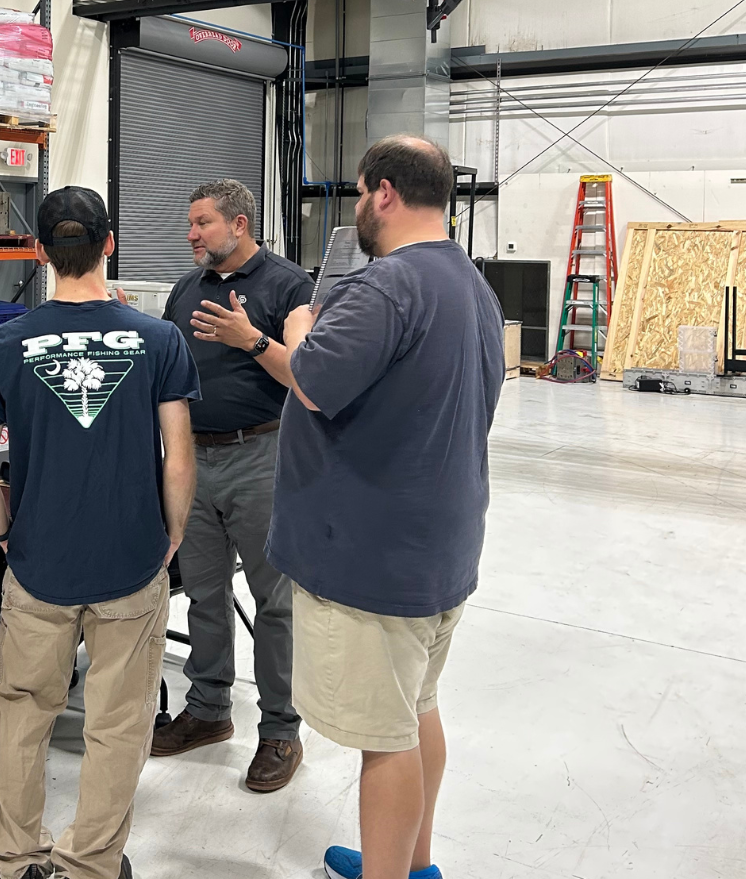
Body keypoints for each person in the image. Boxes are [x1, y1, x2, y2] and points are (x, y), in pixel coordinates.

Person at [266, 135, 505, 879]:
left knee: (385, 738)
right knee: (415, 708)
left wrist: (300, 325)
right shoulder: (472, 284)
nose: (359, 209)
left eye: (360, 193)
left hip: (371, 559)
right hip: (437, 546)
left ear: (385, 194)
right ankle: (410, 863)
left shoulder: (385, 286)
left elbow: (312, 380)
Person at [0, 186, 199, 879]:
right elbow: (179, 458)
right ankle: (90, 864)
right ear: (110, 245)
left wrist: (8, 536)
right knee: (118, 724)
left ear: (39, 253)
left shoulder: (5, 344)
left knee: (24, 711)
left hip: (39, 564)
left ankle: (11, 857)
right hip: (131, 562)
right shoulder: (159, 339)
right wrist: (171, 535)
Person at [149, 179, 311, 792]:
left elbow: (303, 375)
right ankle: (210, 712)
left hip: (261, 456)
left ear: (239, 225)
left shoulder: (288, 285)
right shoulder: (186, 288)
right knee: (205, 595)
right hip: (192, 458)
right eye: (190, 224)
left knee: (274, 602)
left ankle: (279, 731)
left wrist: (252, 340)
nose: (191, 234)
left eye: (202, 223)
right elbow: (165, 360)